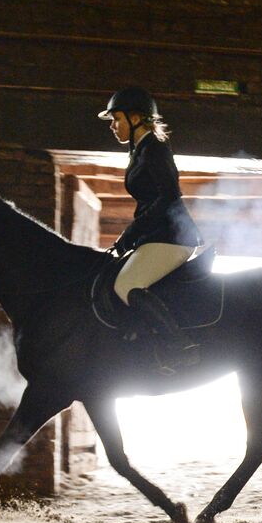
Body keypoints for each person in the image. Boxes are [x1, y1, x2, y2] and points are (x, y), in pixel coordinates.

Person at [99, 86, 204, 370]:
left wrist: (132, 233)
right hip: (157, 236)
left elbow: (169, 196)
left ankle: (180, 344)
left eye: (116, 120)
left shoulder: (155, 150)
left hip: (173, 237)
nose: (113, 126)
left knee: (126, 284)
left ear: (135, 118)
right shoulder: (141, 151)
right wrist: (132, 235)